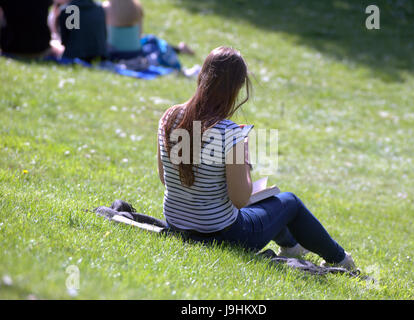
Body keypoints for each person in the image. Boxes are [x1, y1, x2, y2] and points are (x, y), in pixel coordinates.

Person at [153, 46, 357, 270]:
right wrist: (245, 154)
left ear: (201, 76)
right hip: (221, 235)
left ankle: (292, 246)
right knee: (289, 202)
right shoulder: (230, 133)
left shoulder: (170, 116)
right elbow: (240, 199)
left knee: (266, 208)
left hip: (176, 224)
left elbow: (165, 177)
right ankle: (340, 260)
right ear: (237, 88)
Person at [102, 0, 194, 61]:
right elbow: (139, 34)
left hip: (113, 54)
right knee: (151, 41)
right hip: (136, 53)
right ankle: (180, 49)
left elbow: (103, 35)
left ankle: (180, 49)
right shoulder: (136, 6)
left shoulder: (105, 8)